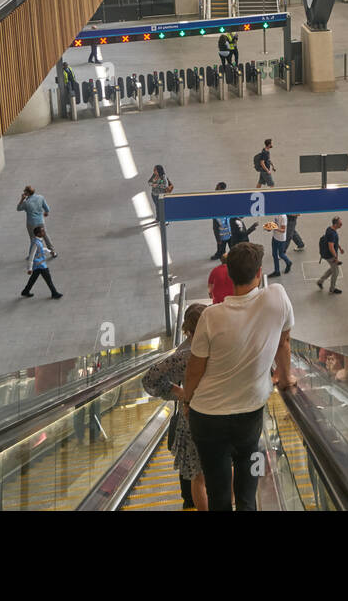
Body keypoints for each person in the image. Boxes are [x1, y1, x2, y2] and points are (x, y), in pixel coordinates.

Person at [176, 242, 295, 512]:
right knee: (246, 488)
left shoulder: (210, 316)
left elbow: (194, 369)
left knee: (218, 493)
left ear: (228, 276)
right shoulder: (276, 296)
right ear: (259, 273)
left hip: (206, 417)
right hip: (248, 412)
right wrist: (286, 378)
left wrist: (187, 401)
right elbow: (284, 343)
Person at [142, 304, 208, 510]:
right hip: (222, 417)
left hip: (192, 419)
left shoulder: (183, 354)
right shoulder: (223, 346)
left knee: (198, 477)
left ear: (187, 329)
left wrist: (179, 393)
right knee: (222, 470)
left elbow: (149, 379)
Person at [21, 226, 63, 298]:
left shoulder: (37, 241)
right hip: (40, 265)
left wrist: (50, 251)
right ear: (38, 233)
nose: (44, 232)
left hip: (40, 264)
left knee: (33, 278)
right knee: (48, 279)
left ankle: (26, 291)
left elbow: (41, 248)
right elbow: (31, 255)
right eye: (42, 231)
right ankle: (54, 293)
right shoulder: (35, 243)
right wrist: (30, 268)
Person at [17, 185, 57, 259]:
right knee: (45, 236)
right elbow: (47, 208)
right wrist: (46, 212)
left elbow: (18, 208)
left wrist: (22, 199)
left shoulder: (26, 202)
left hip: (31, 223)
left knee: (33, 238)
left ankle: (32, 255)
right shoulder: (40, 197)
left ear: (27, 193)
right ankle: (53, 252)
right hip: (40, 221)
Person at [316, 217, 344, 295]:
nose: (341, 224)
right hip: (330, 256)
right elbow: (331, 247)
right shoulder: (332, 233)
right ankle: (332, 289)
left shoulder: (330, 229)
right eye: (340, 223)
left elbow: (334, 242)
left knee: (332, 269)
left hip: (328, 254)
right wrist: (335, 258)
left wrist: (340, 248)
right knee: (336, 272)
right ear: (335, 224)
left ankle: (320, 281)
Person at [267, 214, 292, 279]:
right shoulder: (276, 214)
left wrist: (274, 228)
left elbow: (283, 230)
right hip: (275, 237)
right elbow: (275, 223)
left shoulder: (283, 217)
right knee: (274, 254)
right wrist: (270, 227)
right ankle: (277, 271)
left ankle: (288, 262)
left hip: (281, 239)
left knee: (281, 254)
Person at [210, 182, 230, 260]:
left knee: (222, 243)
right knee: (223, 244)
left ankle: (220, 253)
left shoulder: (218, 200)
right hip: (226, 230)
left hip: (224, 231)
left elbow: (215, 227)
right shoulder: (224, 198)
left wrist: (218, 239)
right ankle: (220, 253)